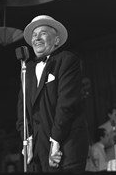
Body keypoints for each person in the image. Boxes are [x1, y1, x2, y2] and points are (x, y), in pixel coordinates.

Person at [16, 15, 89, 173]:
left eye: (43, 33)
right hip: (36, 150)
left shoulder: (67, 60)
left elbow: (67, 103)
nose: (37, 38)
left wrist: (55, 140)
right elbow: (22, 108)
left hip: (65, 146)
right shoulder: (26, 69)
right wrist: (25, 137)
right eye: (34, 35)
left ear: (56, 40)